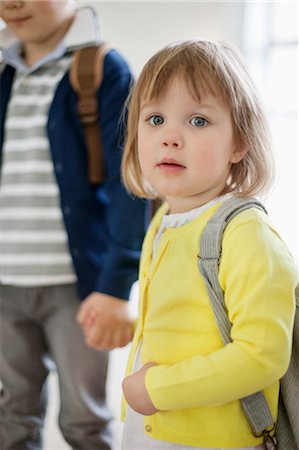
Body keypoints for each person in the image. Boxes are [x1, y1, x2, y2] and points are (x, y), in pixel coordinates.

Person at [120, 40, 298, 450]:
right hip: (150, 431)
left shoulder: (246, 235)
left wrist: (156, 389)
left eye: (198, 121)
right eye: (155, 118)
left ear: (240, 142)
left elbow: (262, 356)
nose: (170, 137)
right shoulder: (163, 219)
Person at [0, 1, 147, 449]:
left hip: (79, 289)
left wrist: (116, 284)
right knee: (11, 416)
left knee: (84, 420)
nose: (13, 3)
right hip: (5, 283)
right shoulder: (4, 73)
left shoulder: (102, 70)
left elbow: (131, 184)